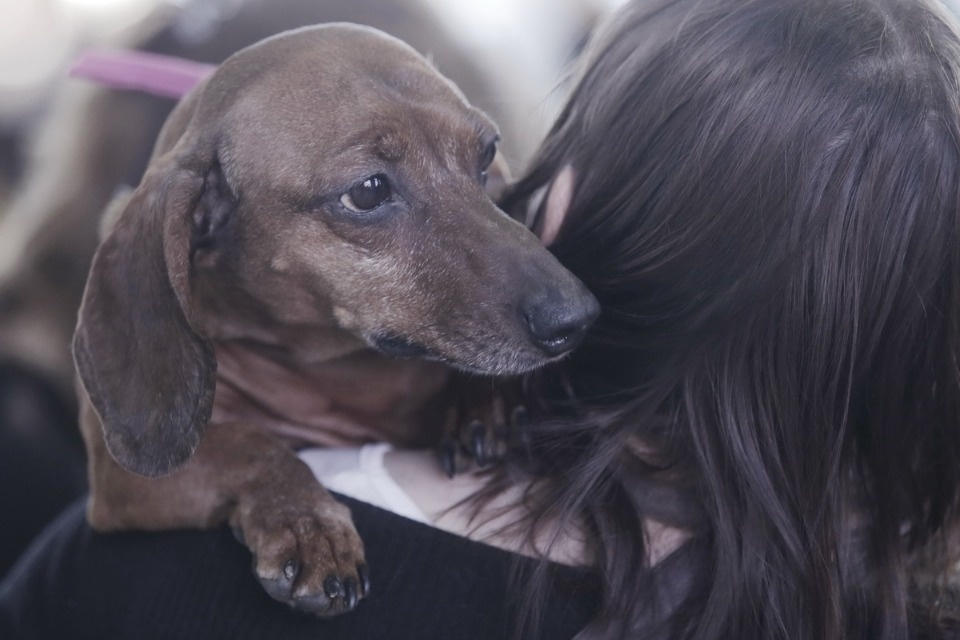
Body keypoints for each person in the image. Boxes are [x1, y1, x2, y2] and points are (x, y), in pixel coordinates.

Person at [4, 0, 960, 638]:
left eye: (483, 158)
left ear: (573, 185)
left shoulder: (149, 587)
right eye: (370, 192)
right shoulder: (905, 595)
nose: (502, 221)